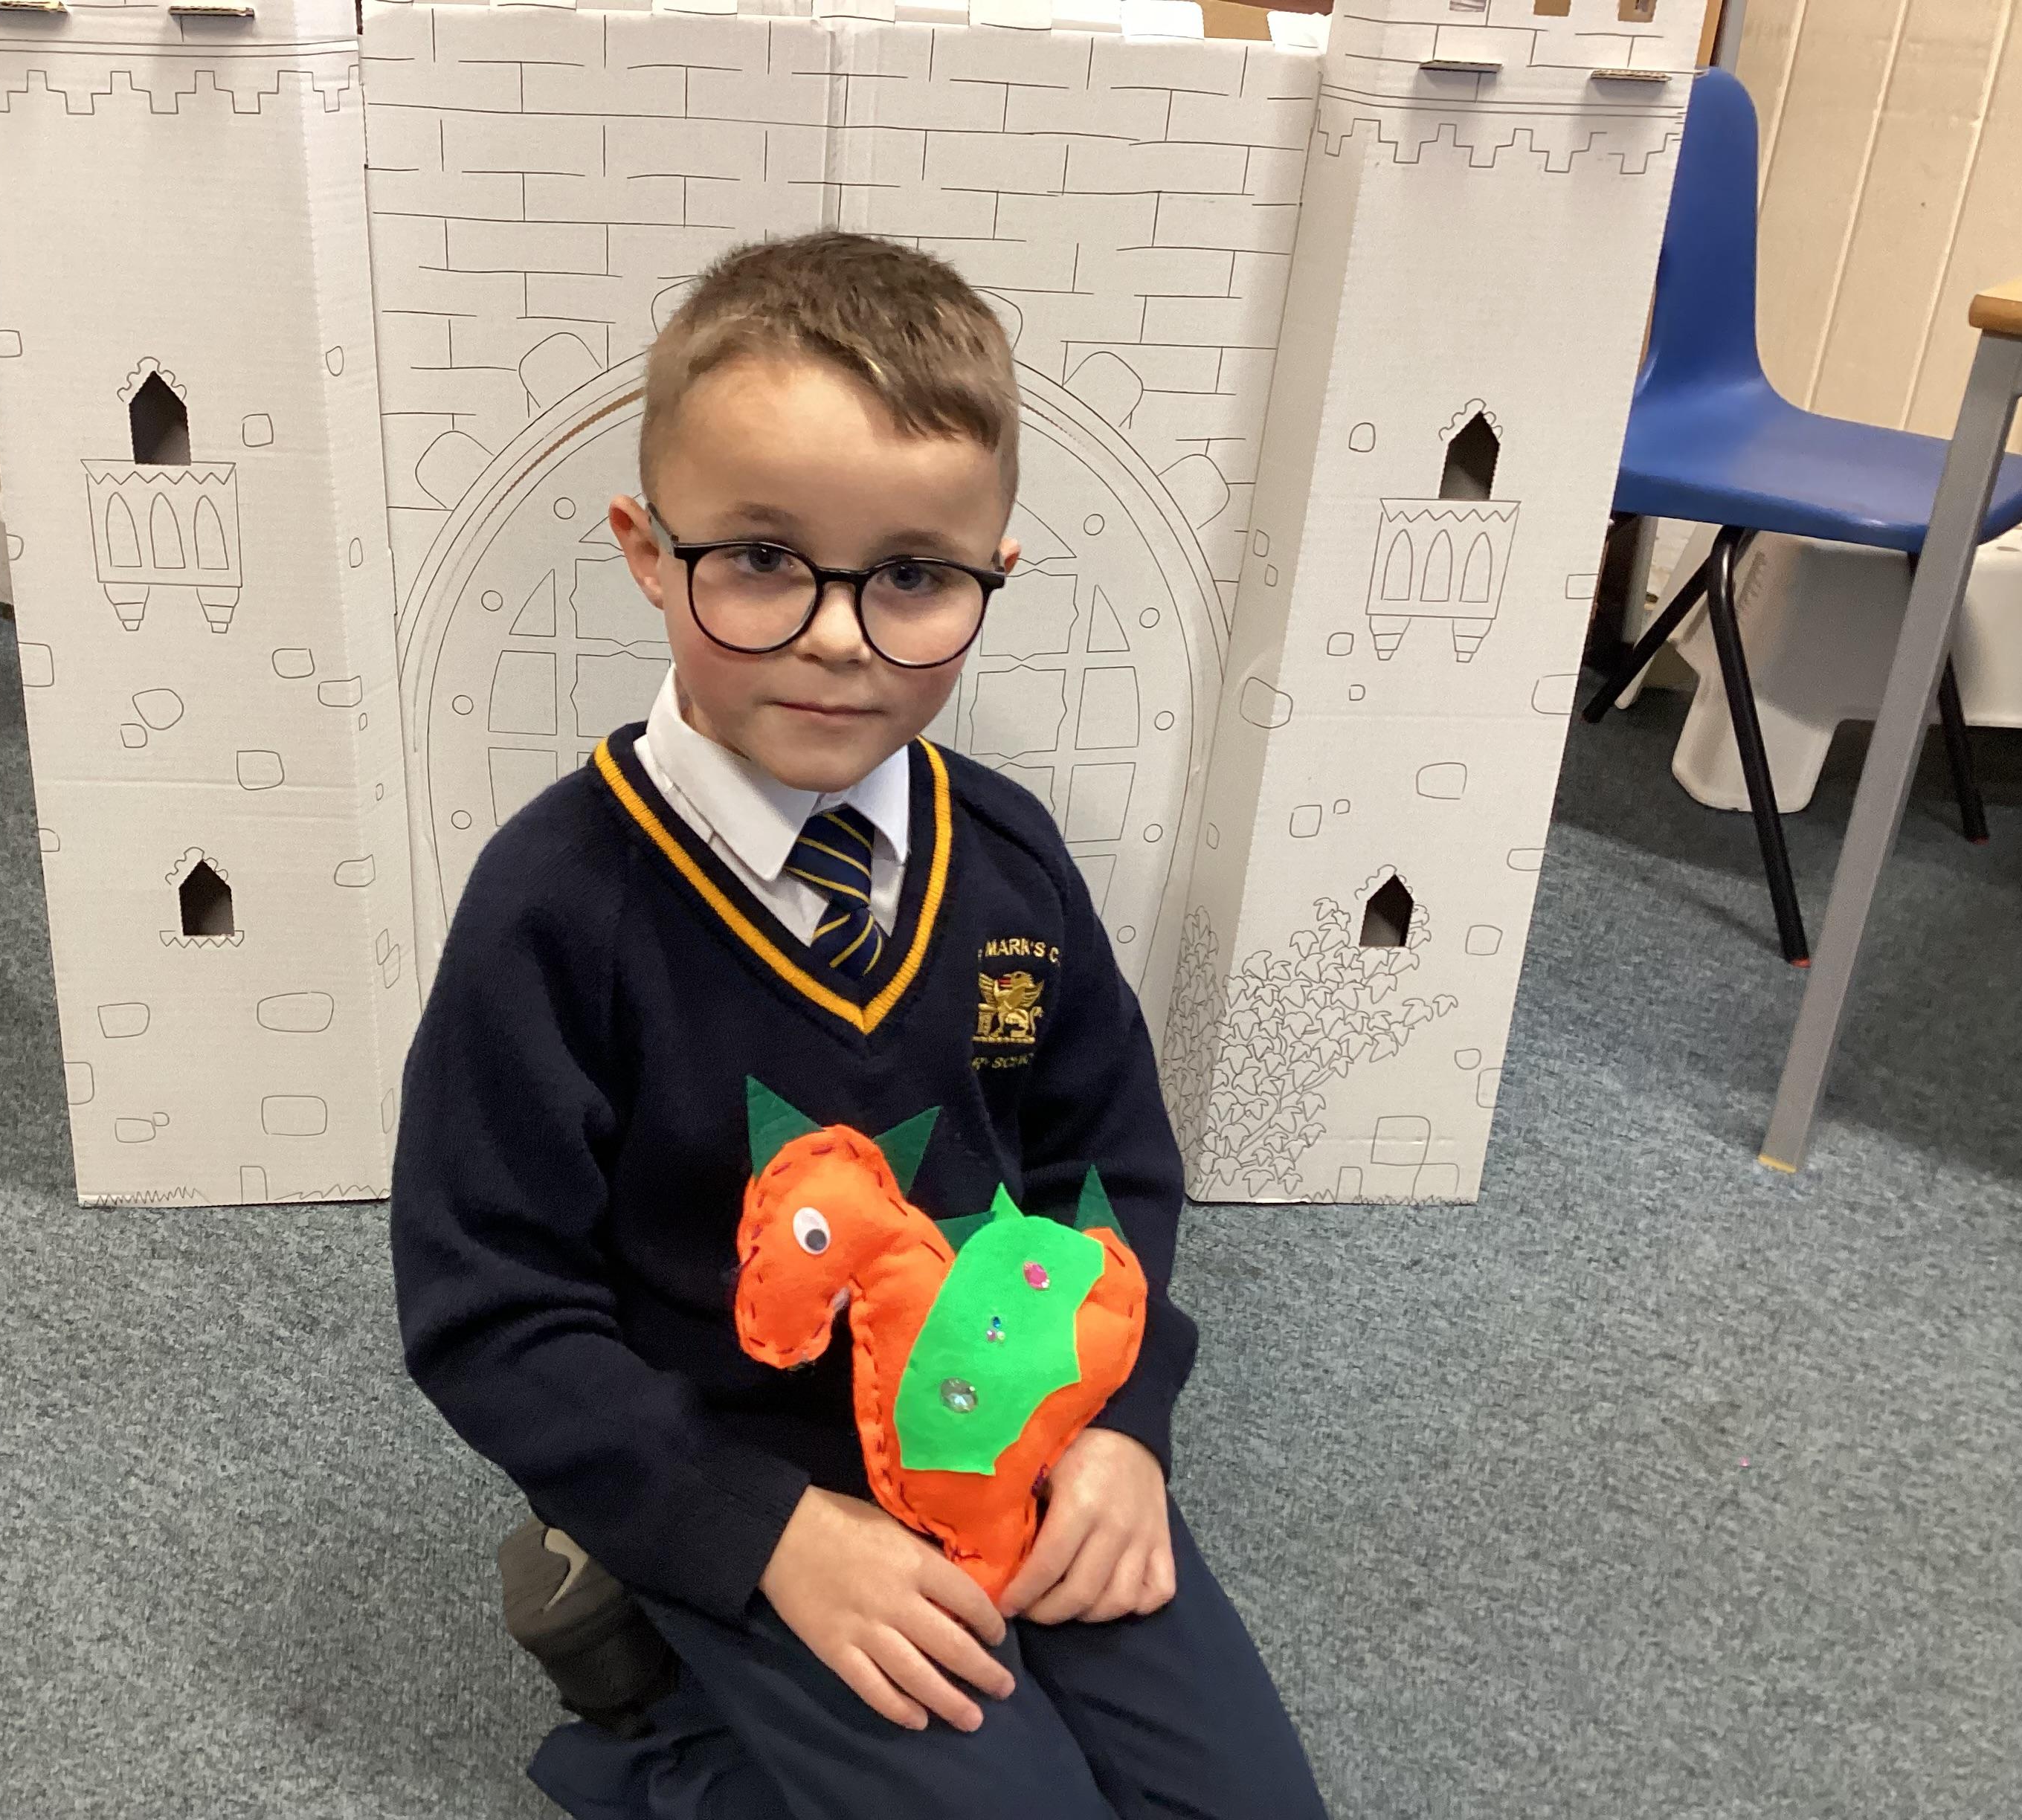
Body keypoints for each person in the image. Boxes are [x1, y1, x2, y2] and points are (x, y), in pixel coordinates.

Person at [389, 230, 1327, 1820]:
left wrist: (1123, 1431)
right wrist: (753, 1530)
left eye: (910, 575)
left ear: (992, 573)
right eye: (762, 556)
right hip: (743, 1473)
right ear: (645, 549)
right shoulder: (553, 907)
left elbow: (1106, 1171)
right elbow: (490, 1307)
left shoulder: (1010, 859)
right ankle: (647, 1690)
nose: (836, 634)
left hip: (1017, 1442)